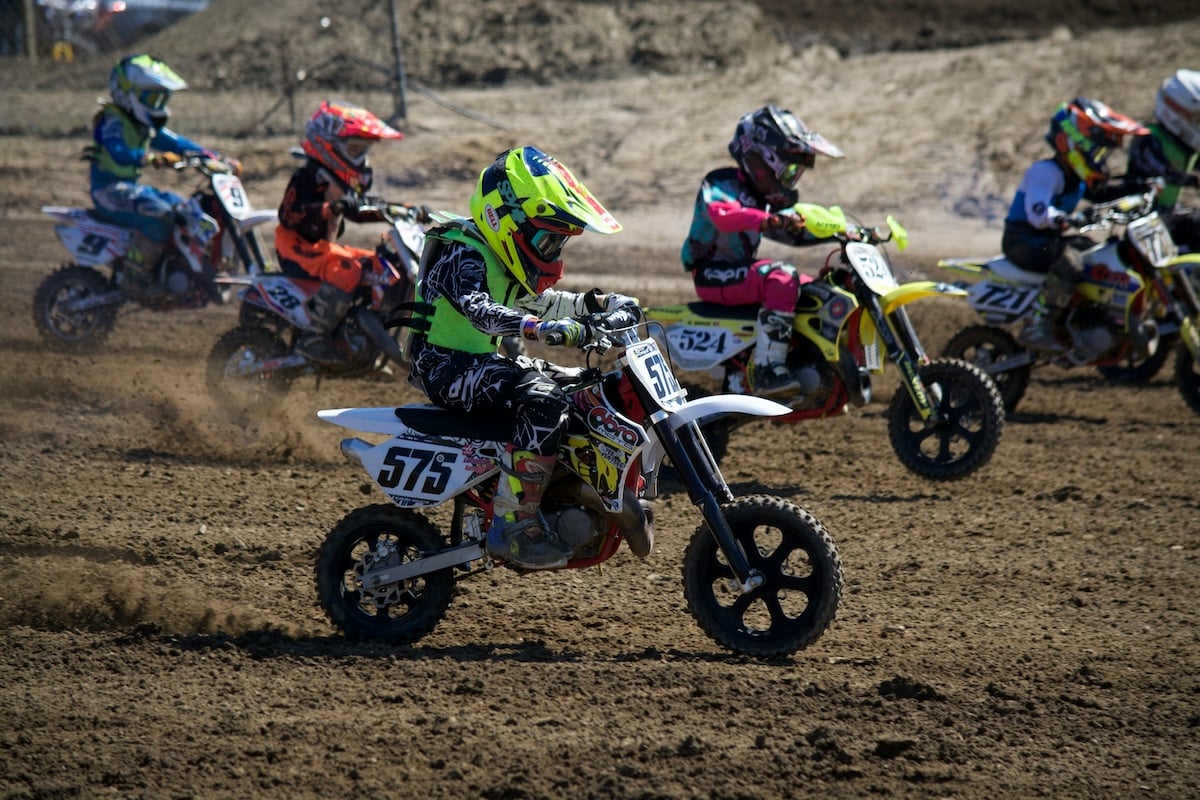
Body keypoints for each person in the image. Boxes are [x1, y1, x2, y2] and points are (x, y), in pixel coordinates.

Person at [407, 146, 632, 569]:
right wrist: (540, 330)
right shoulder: (463, 250)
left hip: (476, 364)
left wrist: (601, 304)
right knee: (544, 400)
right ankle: (513, 523)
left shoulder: (497, 257)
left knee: (579, 385)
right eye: (548, 241)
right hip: (444, 366)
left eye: (558, 243)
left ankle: (560, 492)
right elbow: (478, 308)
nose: (553, 253)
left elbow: (544, 303)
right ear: (505, 220)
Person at [681, 104, 845, 397]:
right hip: (711, 274)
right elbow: (723, 215)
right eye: (790, 170)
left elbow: (795, 230)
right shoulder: (721, 183)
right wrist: (768, 220)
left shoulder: (761, 199)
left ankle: (812, 363)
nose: (792, 179)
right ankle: (767, 370)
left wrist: (846, 232)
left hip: (739, 275)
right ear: (763, 159)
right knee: (782, 276)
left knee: (818, 290)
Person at [276, 99, 424, 365]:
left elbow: (358, 210)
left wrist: (404, 209)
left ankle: (365, 343)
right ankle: (313, 339)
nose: (361, 159)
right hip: (295, 247)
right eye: (355, 150)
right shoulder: (306, 177)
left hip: (322, 248)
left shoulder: (336, 180)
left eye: (363, 151)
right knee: (348, 270)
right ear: (327, 145)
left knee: (380, 268)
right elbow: (288, 214)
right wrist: (329, 208)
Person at [1002, 97, 1150, 352]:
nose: (1100, 160)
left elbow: (1103, 194)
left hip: (1046, 239)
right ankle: (1037, 325)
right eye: (1097, 152)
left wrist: (1140, 187)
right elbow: (1038, 211)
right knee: (1070, 262)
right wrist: (1061, 218)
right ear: (1069, 143)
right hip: (1023, 241)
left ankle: (1081, 317)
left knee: (1095, 253)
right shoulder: (1046, 172)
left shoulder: (1077, 177)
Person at [86, 54, 228, 295]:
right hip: (108, 192)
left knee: (184, 208)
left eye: (162, 98)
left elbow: (176, 143)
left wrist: (213, 157)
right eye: (152, 97)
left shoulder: (140, 123)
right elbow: (119, 152)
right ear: (128, 92)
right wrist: (151, 158)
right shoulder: (112, 121)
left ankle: (173, 269)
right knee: (160, 216)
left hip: (129, 189)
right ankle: (133, 275)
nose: (158, 105)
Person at [1120, 69, 1200, 253]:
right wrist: (1193, 180)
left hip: (1170, 213)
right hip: (1145, 219)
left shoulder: (1185, 146)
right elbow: (1162, 171)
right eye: (1197, 118)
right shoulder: (1149, 138)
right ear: (1176, 110)